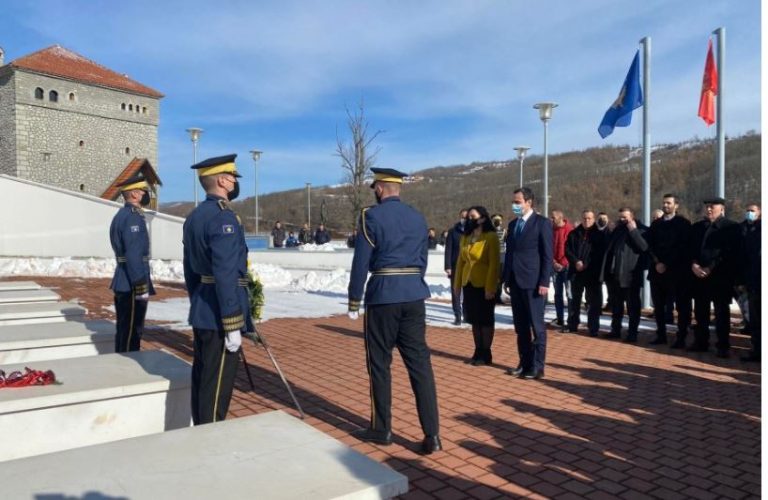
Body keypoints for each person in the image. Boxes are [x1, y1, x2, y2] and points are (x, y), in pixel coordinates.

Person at [347, 167, 441, 455]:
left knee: (379, 364)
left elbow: (361, 260)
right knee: (420, 366)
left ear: (380, 188)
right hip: (414, 294)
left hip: (384, 295)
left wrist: (354, 298)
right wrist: (413, 280)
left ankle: (382, 428)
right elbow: (423, 258)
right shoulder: (417, 217)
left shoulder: (370, 216)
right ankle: (432, 434)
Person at [183, 154, 253, 425]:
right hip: (220, 312)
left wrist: (197, 301)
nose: (235, 181)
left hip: (204, 306)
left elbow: (190, 270)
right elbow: (225, 272)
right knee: (217, 386)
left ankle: (201, 428)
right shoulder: (223, 218)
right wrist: (232, 322)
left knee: (203, 376)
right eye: (233, 177)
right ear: (223, 180)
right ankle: (209, 438)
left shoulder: (195, 217)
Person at [503, 187, 553, 379]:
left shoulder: (542, 223)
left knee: (537, 327)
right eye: (514, 202)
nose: (514, 205)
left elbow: (547, 256)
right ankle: (524, 363)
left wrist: (544, 281)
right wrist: (507, 278)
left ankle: (537, 366)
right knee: (521, 327)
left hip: (533, 283)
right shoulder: (513, 224)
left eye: (518, 202)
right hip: (515, 282)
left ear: (528, 202)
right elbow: (510, 253)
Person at [688, 197, 742, 357]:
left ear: (722, 209)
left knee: (721, 312)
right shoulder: (698, 227)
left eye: (713, 207)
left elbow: (729, 252)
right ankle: (701, 341)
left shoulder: (731, 227)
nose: (709, 210)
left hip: (720, 277)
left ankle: (723, 345)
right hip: (699, 276)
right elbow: (691, 249)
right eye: (707, 207)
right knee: (700, 311)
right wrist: (694, 265)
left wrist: (710, 268)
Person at [109, 173, 157, 353]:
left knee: (124, 329)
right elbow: (134, 254)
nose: (145, 195)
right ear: (135, 194)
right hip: (131, 282)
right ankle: (127, 367)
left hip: (124, 278)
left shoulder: (122, 215)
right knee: (131, 332)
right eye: (143, 191)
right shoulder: (133, 217)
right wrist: (141, 285)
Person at [454, 206, 500, 366]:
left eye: (472, 216)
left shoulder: (491, 237)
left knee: (485, 319)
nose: (469, 220)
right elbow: (460, 262)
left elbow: (494, 264)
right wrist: (457, 284)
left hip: (484, 283)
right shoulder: (466, 237)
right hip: (469, 283)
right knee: (474, 319)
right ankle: (477, 349)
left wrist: (490, 287)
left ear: (482, 218)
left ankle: (486, 352)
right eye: (468, 217)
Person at [645, 194, 692, 347]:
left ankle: (681, 337)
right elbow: (649, 245)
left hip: (677, 272)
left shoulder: (683, 224)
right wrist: (658, 262)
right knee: (658, 306)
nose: (666, 205)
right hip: (657, 271)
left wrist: (667, 263)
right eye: (664, 203)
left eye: (669, 203)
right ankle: (661, 335)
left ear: (676, 205)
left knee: (681, 306)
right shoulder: (656, 224)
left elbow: (683, 247)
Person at [599, 207, 649, 343]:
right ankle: (615, 330)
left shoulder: (641, 229)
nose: (622, 220)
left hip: (630, 275)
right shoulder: (617, 229)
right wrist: (609, 230)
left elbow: (644, 247)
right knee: (616, 305)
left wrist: (633, 231)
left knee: (633, 306)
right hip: (615, 274)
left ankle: (632, 333)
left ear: (632, 216)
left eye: (625, 217)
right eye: (620, 217)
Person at [564, 210, 605, 336]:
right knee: (574, 300)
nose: (587, 221)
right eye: (585, 218)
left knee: (593, 302)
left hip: (592, 273)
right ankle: (573, 324)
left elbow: (599, 254)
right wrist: (576, 262)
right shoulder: (574, 234)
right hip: (576, 272)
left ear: (593, 219)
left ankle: (593, 327)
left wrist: (586, 264)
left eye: (589, 218)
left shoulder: (599, 235)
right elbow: (567, 250)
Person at [740, 203, 761, 362]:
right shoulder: (743, 229)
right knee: (754, 318)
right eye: (747, 211)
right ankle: (757, 349)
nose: (749, 213)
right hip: (752, 281)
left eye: (752, 211)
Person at [550, 210, 573, 327]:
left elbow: (572, 249)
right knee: (557, 293)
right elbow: (548, 247)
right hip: (554, 266)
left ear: (560, 217)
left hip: (567, 266)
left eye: (553, 217)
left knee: (569, 294)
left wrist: (563, 263)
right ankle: (560, 318)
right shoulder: (551, 230)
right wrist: (553, 262)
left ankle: (571, 319)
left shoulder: (570, 230)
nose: (551, 219)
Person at [444, 209, 467, 325]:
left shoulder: (474, 232)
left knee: (468, 292)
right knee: (456, 292)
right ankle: (457, 315)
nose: (464, 219)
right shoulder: (453, 232)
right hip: (455, 266)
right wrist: (448, 266)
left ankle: (467, 314)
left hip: (469, 267)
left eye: (466, 217)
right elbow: (448, 250)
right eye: (462, 217)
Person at [491, 214, 506, 304]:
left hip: (502, 256)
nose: (497, 222)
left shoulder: (504, 231)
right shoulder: (490, 231)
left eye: (499, 220)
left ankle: (498, 296)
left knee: (500, 278)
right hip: (493, 256)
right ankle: (492, 296)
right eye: (496, 220)